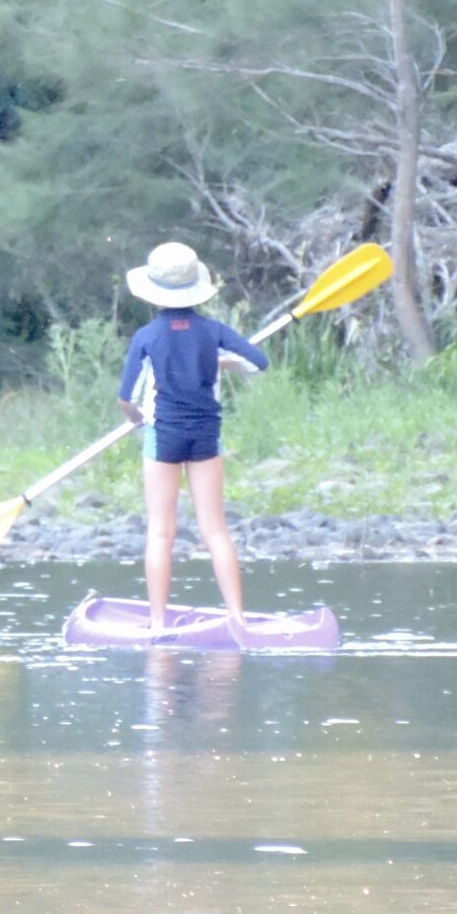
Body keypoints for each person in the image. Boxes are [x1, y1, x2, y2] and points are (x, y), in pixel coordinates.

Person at [115, 241, 267, 637]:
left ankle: (160, 623)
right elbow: (259, 363)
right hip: (205, 437)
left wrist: (136, 420)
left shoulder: (146, 336)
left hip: (162, 436)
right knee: (215, 529)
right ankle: (238, 618)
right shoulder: (213, 331)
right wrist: (223, 361)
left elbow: (125, 398)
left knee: (161, 531)